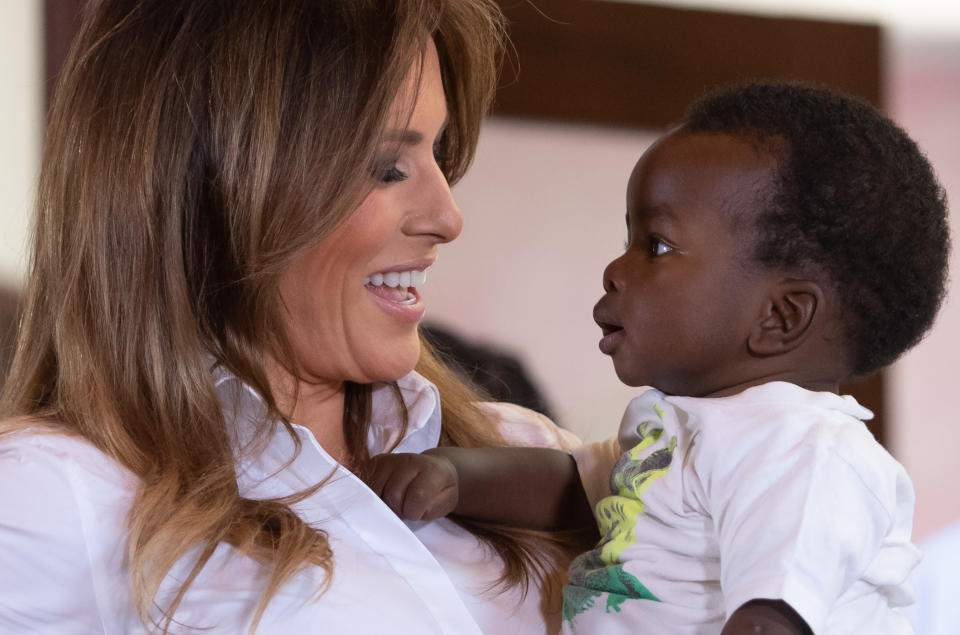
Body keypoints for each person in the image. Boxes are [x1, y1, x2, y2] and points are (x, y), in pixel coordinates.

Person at [0, 1, 587, 633]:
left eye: (440, 155)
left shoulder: (533, 453)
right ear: (214, 190)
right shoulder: (54, 496)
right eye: (388, 168)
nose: (447, 217)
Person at [363, 81, 951, 634]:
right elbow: (576, 486)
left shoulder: (803, 449)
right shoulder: (679, 429)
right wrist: (455, 476)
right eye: (628, 242)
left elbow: (775, 614)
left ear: (781, 317)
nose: (616, 271)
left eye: (657, 246)